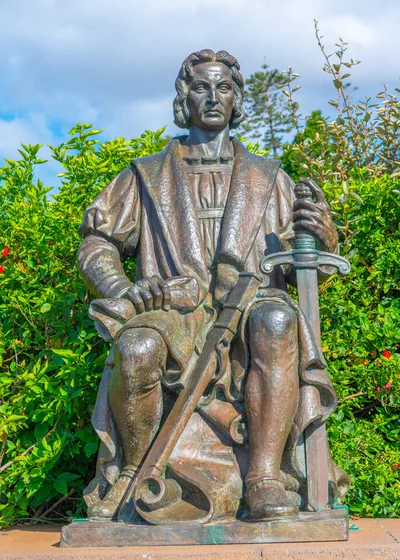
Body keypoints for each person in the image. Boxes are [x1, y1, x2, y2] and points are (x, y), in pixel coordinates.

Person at [78, 49, 347, 523]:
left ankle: (264, 477)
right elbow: (97, 242)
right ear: (184, 97)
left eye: (224, 87)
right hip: (176, 309)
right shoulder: (146, 175)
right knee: (137, 347)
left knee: (279, 318)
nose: (213, 96)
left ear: (237, 98)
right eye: (202, 87)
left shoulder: (270, 178)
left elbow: (307, 267)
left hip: (249, 304)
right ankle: (137, 475)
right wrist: (121, 286)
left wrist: (320, 238)